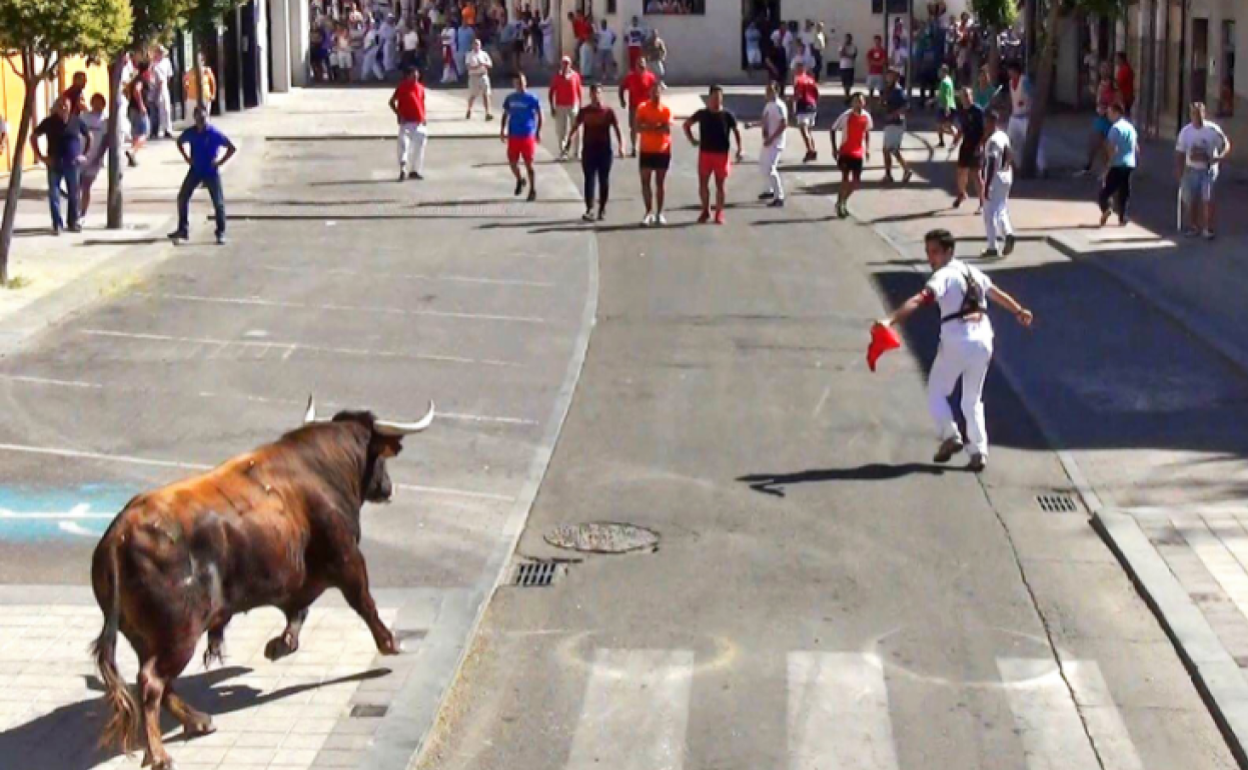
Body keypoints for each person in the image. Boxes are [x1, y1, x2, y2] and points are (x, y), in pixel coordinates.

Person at [875, 228, 1034, 473]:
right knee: (972, 398)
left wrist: (890, 320)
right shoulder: (972, 271)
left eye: (935, 252)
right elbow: (995, 294)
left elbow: (919, 299)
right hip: (984, 339)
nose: (931, 258)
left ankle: (950, 434)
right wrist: (1019, 310)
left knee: (936, 391)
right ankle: (979, 451)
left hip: (957, 338)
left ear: (949, 251)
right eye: (928, 252)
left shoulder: (944, 276)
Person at [168, 106, 236, 246]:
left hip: (210, 171)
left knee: (218, 202)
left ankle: (220, 232)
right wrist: (187, 158)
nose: (201, 122)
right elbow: (180, 141)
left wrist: (220, 162)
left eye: (203, 119)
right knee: (183, 197)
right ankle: (183, 229)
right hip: (195, 170)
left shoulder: (214, 133)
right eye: (198, 119)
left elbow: (231, 147)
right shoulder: (191, 132)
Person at [683, 84, 743, 225]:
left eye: (719, 97)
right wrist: (692, 140)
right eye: (715, 97)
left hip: (721, 154)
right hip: (705, 153)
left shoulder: (727, 115)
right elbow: (686, 125)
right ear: (709, 97)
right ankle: (705, 210)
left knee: (720, 186)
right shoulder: (702, 113)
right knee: (703, 184)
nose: (717, 100)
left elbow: (736, 131)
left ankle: (719, 213)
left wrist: (740, 148)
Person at [564, 82, 624, 221]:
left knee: (604, 180)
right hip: (589, 149)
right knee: (589, 179)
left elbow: (617, 128)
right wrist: (568, 142)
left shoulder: (608, 111)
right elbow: (575, 126)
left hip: (604, 150)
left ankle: (602, 208)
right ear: (590, 95)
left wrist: (621, 145)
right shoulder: (584, 111)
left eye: (598, 92)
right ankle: (589, 208)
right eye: (593, 93)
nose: (595, 96)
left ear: (601, 94)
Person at [31, 96, 91, 235]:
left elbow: (89, 136)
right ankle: (57, 224)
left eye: (66, 105)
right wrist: (40, 157)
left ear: (70, 107)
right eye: (60, 105)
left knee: (74, 194)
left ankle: (73, 222)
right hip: (54, 163)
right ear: (56, 107)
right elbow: (33, 137)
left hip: (72, 163)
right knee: (54, 194)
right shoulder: (49, 122)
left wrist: (84, 155)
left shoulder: (76, 121)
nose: (63, 107)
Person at [1175, 101, 1232, 239]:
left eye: (1199, 113)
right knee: (1192, 199)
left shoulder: (1212, 130)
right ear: (1190, 115)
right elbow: (1180, 152)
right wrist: (1179, 170)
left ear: (1204, 114)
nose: (1197, 116)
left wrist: (1220, 156)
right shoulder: (1185, 132)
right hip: (1191, 169)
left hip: (1208, 169)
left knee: (1207, 198)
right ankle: (1194, 226)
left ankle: (1208, 228)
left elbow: (1226, 144)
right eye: (1194, 114)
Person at [634, 82, 672, 225]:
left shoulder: (666, 110)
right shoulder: (642, 108)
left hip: (662, 150)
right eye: (653, 91)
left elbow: (666, 129)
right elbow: (638, 127)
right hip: (646, 150)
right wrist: (656, 127)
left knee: (660, 183)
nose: (656, 94)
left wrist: (649, 127)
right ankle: (648, 212)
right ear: (649, 92)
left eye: (658, 92)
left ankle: (659, 213)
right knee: (645, 182)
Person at [501, 73, 542, 201]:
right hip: (513, 134)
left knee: (529, 164)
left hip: (527, 134)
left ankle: (532, 189)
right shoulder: (510, 98)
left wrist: (538, 131)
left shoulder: (532, 98)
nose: (520, 85)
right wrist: (502, 130)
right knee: (512, 163)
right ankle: (520, 179)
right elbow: (506, 114)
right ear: (514, 84)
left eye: (522, 82)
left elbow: (540, 115)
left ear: (526, 83)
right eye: (517, 83)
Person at [830, 92, 872, 219]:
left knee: (856, 182)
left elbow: (867, 131)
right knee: (845, 179)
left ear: (864, 102)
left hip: (858, 152)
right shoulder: (846, 116)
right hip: (846, 151)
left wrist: (868, 148)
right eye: (855, 101)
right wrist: (834, 148)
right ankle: (840, 203)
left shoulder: (866, 116)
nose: (858, 103)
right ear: (852, 103)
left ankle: (842, 201)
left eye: (860, 101)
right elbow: (833, 129)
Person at [980, 109, 1015, 258]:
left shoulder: (993, 140)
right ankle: (1008, 234)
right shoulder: (1003, 135)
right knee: (1001, 208)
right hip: (1006, 174)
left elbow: (992, 161)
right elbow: (1010, 154)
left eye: (986, 121)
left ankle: (992, 247)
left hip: (995, 177)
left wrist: (987, 185)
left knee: (989, 213)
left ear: (990, 122)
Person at [1098, 102, 1138, 227]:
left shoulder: (1115, 128)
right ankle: (1123, 217)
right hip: (1129, 164)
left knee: (1106, 191)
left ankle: (1106, 208)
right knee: (1124, 191)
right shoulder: (1131, 128)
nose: (1108, 115)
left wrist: (1107, 166)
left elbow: (1112, 148)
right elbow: (1136, 147)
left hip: (1117, 164)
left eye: (1110, 112)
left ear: (1117, 112)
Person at [949, 87, 985, 211]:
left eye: (968, 95)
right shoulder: (962, 112)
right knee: (961, 171)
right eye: (963, 96)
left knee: (976, 175)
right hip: (966, 144)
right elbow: (961, 129)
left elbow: (984, 131)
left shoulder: (978, 111)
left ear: (971, 97)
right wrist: (955, 141)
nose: (966, 98)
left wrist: (980, 145)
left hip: (976, 145)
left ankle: (982, 202)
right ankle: (962, 194)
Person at [752, 81, 787, 207]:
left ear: (776, 91)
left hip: (775, 142)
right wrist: (753, 125)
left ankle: (780, 197)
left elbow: (784, 124)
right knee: (763, 165)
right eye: (766, 90)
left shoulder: (779, 106)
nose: (767, 93)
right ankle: (769, 190)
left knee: (771, 168)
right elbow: (764, 120)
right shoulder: (769, 105)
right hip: (768, 141)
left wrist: (772, 139)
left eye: (770, 90)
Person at [390, 66, 428, 181]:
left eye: (417, 75)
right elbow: (391, 102)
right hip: (406, 122)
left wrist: (424, 117)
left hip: (419, 122)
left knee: (419, 147)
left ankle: (415, 170)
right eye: (413, 75)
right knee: (404, 146)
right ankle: (403, 169)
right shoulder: (402, 86)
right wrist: (398, 114)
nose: (416, 77)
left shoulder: (421, 88)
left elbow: (421, 103)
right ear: (408, 76)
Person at [1006, 62, 1043, 174]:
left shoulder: (1024, 81)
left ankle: (1041, 167)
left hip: (1025, 117)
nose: (1009, 73)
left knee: (1031, 141)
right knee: (1011, 141)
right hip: (1014, 116)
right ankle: (1017, 166)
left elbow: (1033, 95)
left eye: (1011, 71)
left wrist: (1028, 103)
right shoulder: (1010, 83)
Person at [78, 93, 111, 220]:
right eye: (95, 102)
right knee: (76, 186)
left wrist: (99, 157)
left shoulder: (106, 121)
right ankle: (76, 211)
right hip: (81, 156)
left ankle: (83, 213)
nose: (97, 105)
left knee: (86, 186)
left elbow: (106, 141)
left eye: (100, 103)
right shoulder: (84, 117)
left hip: (95, 159)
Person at [619, 57, 657, 157]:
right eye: (639, 64)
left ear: (646, 65)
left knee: (648, 128)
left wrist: (655, 103)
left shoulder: (650, 77)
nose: (641, 66)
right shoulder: (630, 77)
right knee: (634, 128)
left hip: (647, 107)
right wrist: (622, 100)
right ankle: (634, 148)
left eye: (643, 64)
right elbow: (622, 88)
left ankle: (648, 147)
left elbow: (656, 90)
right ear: (636, 66)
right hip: (634, 107)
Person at [881, 68, 912, 184]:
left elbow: (906, 106)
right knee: (888, 150)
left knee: (890, 149)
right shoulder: (889, 89)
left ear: (896, 77)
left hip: (895, 123)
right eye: (887, 74)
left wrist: (893, 115)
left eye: (890, 75)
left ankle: (906, 170)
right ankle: (889, 174)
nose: (888, 77)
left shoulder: (898, 91)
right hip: (890, 123)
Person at [550, 56, 583, 160]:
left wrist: (580, 106)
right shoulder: (557, 76)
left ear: (570, 64)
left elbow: (579, 90)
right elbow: (551, 92)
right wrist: (552, 106)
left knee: (576, 128)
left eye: (567, 63)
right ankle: (563, 151)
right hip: (560, 105)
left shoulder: (575, 76)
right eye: (563, 63)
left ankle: (577, 152)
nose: (565, 65)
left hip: (573, 105)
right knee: (561, 130)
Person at [791, 61, 819, 163]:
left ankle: (810, 150)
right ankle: (812, 149)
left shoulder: (798, 80)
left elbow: (798, 95)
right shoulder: (811, 79)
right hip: (812, 106)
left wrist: (792, 102)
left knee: (803, 129)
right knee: (809, 130)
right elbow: (816, 93)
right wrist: (815, 103)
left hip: (803, 106)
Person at [126, 62, 151, 166]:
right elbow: (137, 90)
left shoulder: (135, 78)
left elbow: (127, 90)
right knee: (144, 134)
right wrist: (141, 105)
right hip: (138, 109)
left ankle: (132, 158)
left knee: (136, 134)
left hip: (132, 108)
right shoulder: (141, 79)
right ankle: (132, 151)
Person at [465, 39, 494, 121]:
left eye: (478, 44)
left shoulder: (484, 54)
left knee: (486, 94)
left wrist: (485, 64)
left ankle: (488, 112)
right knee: (473, 95)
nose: (476, 46)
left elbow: (490, 64)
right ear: (472, 45)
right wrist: (477, 66)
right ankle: (469, 109)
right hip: (474, 76)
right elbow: (468, 67)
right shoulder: (469, 55)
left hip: (483, 75)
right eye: (475, 44)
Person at [152, 46, 175, 139]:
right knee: (156, 109)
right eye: (158, 52)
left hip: (163, 86)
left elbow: (169, 76)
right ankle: (157, 129)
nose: (160, 54)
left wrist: (165, 86)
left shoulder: (166, 62)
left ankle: (168, 129)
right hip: (153, 86)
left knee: (166, 109)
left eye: (161, 52)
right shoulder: (153, 63)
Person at [935, 64, 955, 149]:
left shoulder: (944, 82)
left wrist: (946, 107)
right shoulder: (949, 80)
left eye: (940, 71)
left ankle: (944, 141)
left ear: (944, 72)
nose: (938, 73)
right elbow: (942, 95)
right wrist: (932, 100)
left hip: (944, 106)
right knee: (946, 125)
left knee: (942, 125)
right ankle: (943, 141)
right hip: (949, 105)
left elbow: (946, 95)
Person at [866, 35, 887, 101]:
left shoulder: (883, 51)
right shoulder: (871, 51)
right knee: (871, 90)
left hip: (879, 73)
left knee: (881, 90)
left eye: (878, 41)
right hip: (871, 73)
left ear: (880, 41)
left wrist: (874, 62)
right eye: (876, 41)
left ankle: (881, 103)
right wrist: (877, 63)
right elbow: (868, 61)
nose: (877, 42)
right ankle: (871, 103)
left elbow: (882, 62)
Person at [838, 34, 858, 102]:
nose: (847, 40)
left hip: (850, 66)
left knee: (849, 82)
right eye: (846, 38)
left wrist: (846, 54)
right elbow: (841, 54)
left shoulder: (853, 47)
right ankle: (846, 95)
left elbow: (854, 56)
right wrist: (845, 50)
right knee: (844, 82)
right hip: (843, 66)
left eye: (849, 38)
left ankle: (848, 94)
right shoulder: (842, 46)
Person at [1115, 52, 1135, 116]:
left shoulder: (1124, 69)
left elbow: (1119, 83)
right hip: (1127, 96)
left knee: (1124, 115)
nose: (1116, 61)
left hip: (1124, 97)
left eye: (1117, 59)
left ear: (1121, 59)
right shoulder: (1127, 68)